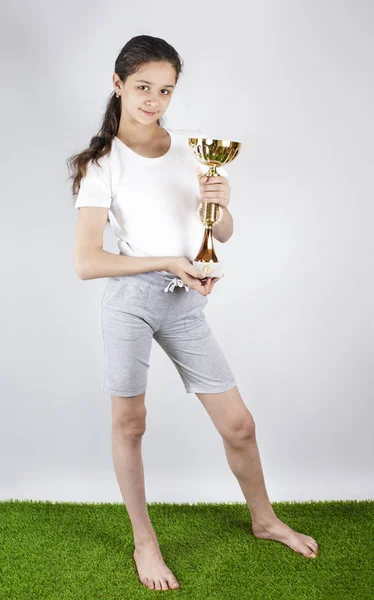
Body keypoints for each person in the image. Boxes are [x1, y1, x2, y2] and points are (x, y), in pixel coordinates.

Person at [67, 34, 319, 593]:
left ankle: (264, 519)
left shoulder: (191, 148)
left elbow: (220, 233)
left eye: (165, 90)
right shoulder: (101, 164)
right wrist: (170, 262)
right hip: (131, 301)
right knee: (131, 424)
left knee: (239, 424)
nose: (153, 100)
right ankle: (144, 541)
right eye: (142, 88)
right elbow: (87, 262)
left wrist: (221, 203)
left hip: (184, 301)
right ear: (118, 84)